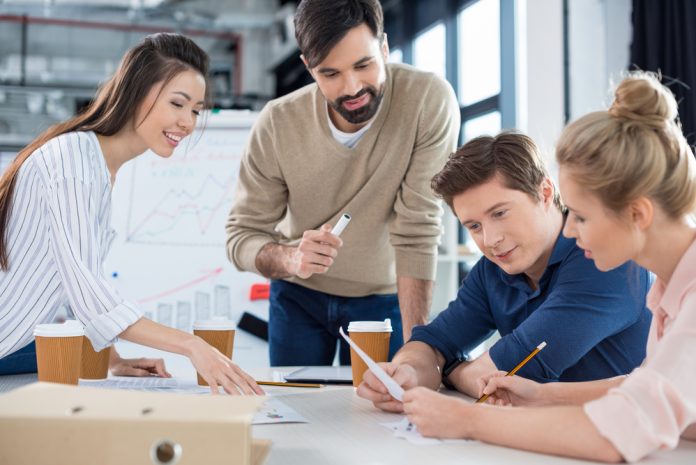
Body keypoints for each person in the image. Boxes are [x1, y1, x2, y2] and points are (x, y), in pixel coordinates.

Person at [400, 72, 696, 462]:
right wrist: (543, 395)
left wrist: (465, 419)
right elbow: (647, 386)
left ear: (637, 213)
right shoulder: (669, 291)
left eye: (582, 217)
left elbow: (616, 434)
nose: (570, 229)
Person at [0, 33, 262, 395]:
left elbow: (75, 283)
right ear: (137, 92)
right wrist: (192, 346)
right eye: (178, 103)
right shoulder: (74, 160)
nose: (188, 122)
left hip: (15, 346)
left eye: (196, 110)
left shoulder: (97, 166)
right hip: (9, 346)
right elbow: (87, 289)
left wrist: (113, 360)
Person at [225, 0, 460, 366]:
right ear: (308, 67)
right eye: (330, 73)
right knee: (298, 414)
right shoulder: (277, 123)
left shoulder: (427, 101)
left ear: (384, 47)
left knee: (384, 414)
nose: (352, 88)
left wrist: (420, 351)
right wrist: (291, 258)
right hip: (298, 295)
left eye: (363, 65)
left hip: (385, 297)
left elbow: (418, 228)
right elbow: (241, 237)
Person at [357, 131, 652, 409]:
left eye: (500, 213)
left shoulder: (605, 258)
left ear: (545, 193)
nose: (490, 240)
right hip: (544, 436)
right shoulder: (492, 271)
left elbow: (512, 375)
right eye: (474, 226)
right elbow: (433, 341)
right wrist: (406, 373)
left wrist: (451, 370)